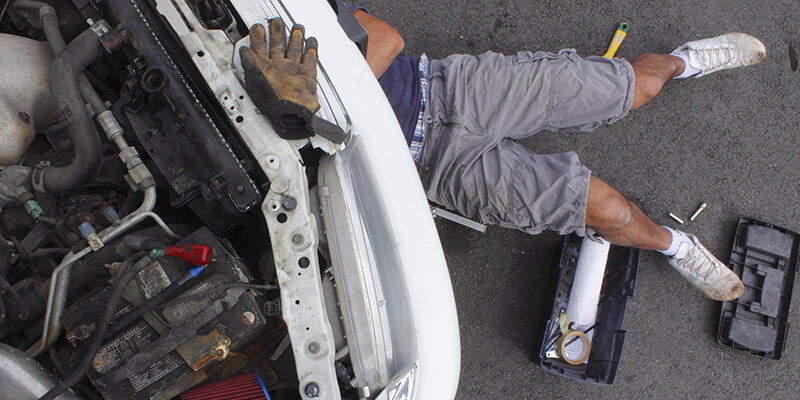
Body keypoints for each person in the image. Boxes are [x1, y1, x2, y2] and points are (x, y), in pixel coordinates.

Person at [241, 6, 767, 301]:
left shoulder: (268, 15)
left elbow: (385, 39)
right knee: (606, 213)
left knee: (639, 88)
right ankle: (674, 245)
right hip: (429, 168)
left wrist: (320, 103)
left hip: (449, 88)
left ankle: (685, 61)